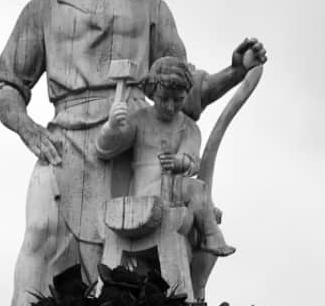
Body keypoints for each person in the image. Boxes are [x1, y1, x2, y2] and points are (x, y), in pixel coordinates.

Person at [0, 0, 265, 306]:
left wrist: (232, 71)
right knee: (41, 231)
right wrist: (29, 129)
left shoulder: (149, 9)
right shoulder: (42, 11)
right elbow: (5, 86)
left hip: (131, 147)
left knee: (125, 270)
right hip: (63, 141)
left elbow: (182, 88)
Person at [95, 56, 234, 257]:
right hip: (145, 194)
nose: (170, 106)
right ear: (152, 93)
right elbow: (105, 149)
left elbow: (193, 162)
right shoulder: (139, 120)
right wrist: (112, 127)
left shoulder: (189, 128)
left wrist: (180, 161)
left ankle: (206, 237)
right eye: (164, 99)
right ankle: (211, 235)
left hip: (174, 192)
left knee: (197, 191)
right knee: (196, 188)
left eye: (178, 100)